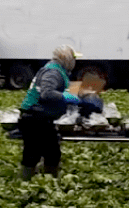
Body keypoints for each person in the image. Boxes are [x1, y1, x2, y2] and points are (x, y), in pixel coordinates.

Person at [17, 45, 90, 179]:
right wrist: (65, 97)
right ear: (66, 59)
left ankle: (44, 181)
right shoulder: (53, 72)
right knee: (36, 153)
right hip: (35, 117)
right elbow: (47, 93)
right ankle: (28, 181)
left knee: (50, 152)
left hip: (40, 117)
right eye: (73, 59)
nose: (75, 62)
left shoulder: (58, 70)